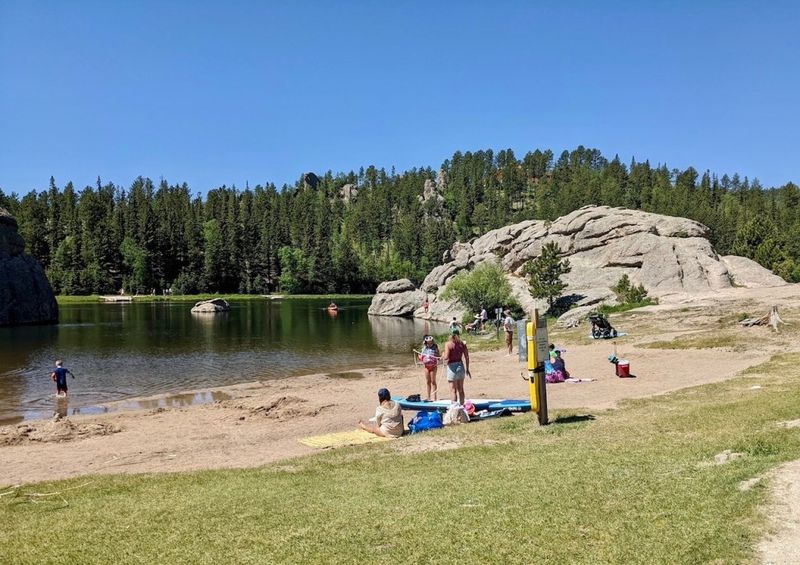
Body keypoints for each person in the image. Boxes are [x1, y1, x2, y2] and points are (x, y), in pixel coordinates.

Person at [443, 327, 471, 405]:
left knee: (453, 390)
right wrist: (467, 368)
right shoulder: (462, 344)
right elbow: (467, 356)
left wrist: (443, 355)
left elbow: (446, 357)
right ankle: (462, 406)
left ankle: (454, 408)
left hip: (452, 367)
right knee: (461, 389)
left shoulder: (448, 344)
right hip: (460, 366)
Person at [419, 335, 440, 401]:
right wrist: (420, 357)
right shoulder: (424, 348)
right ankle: (428, 397)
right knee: (428, 382)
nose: (430, 344)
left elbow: (438, 356)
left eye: (431, 342)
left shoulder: (435, 347)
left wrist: (438, 356)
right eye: (428, 343)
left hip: (433, 367)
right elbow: (421, 357)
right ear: (426, 342)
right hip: (426, 367)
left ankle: (435, 397)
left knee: (433, 381)